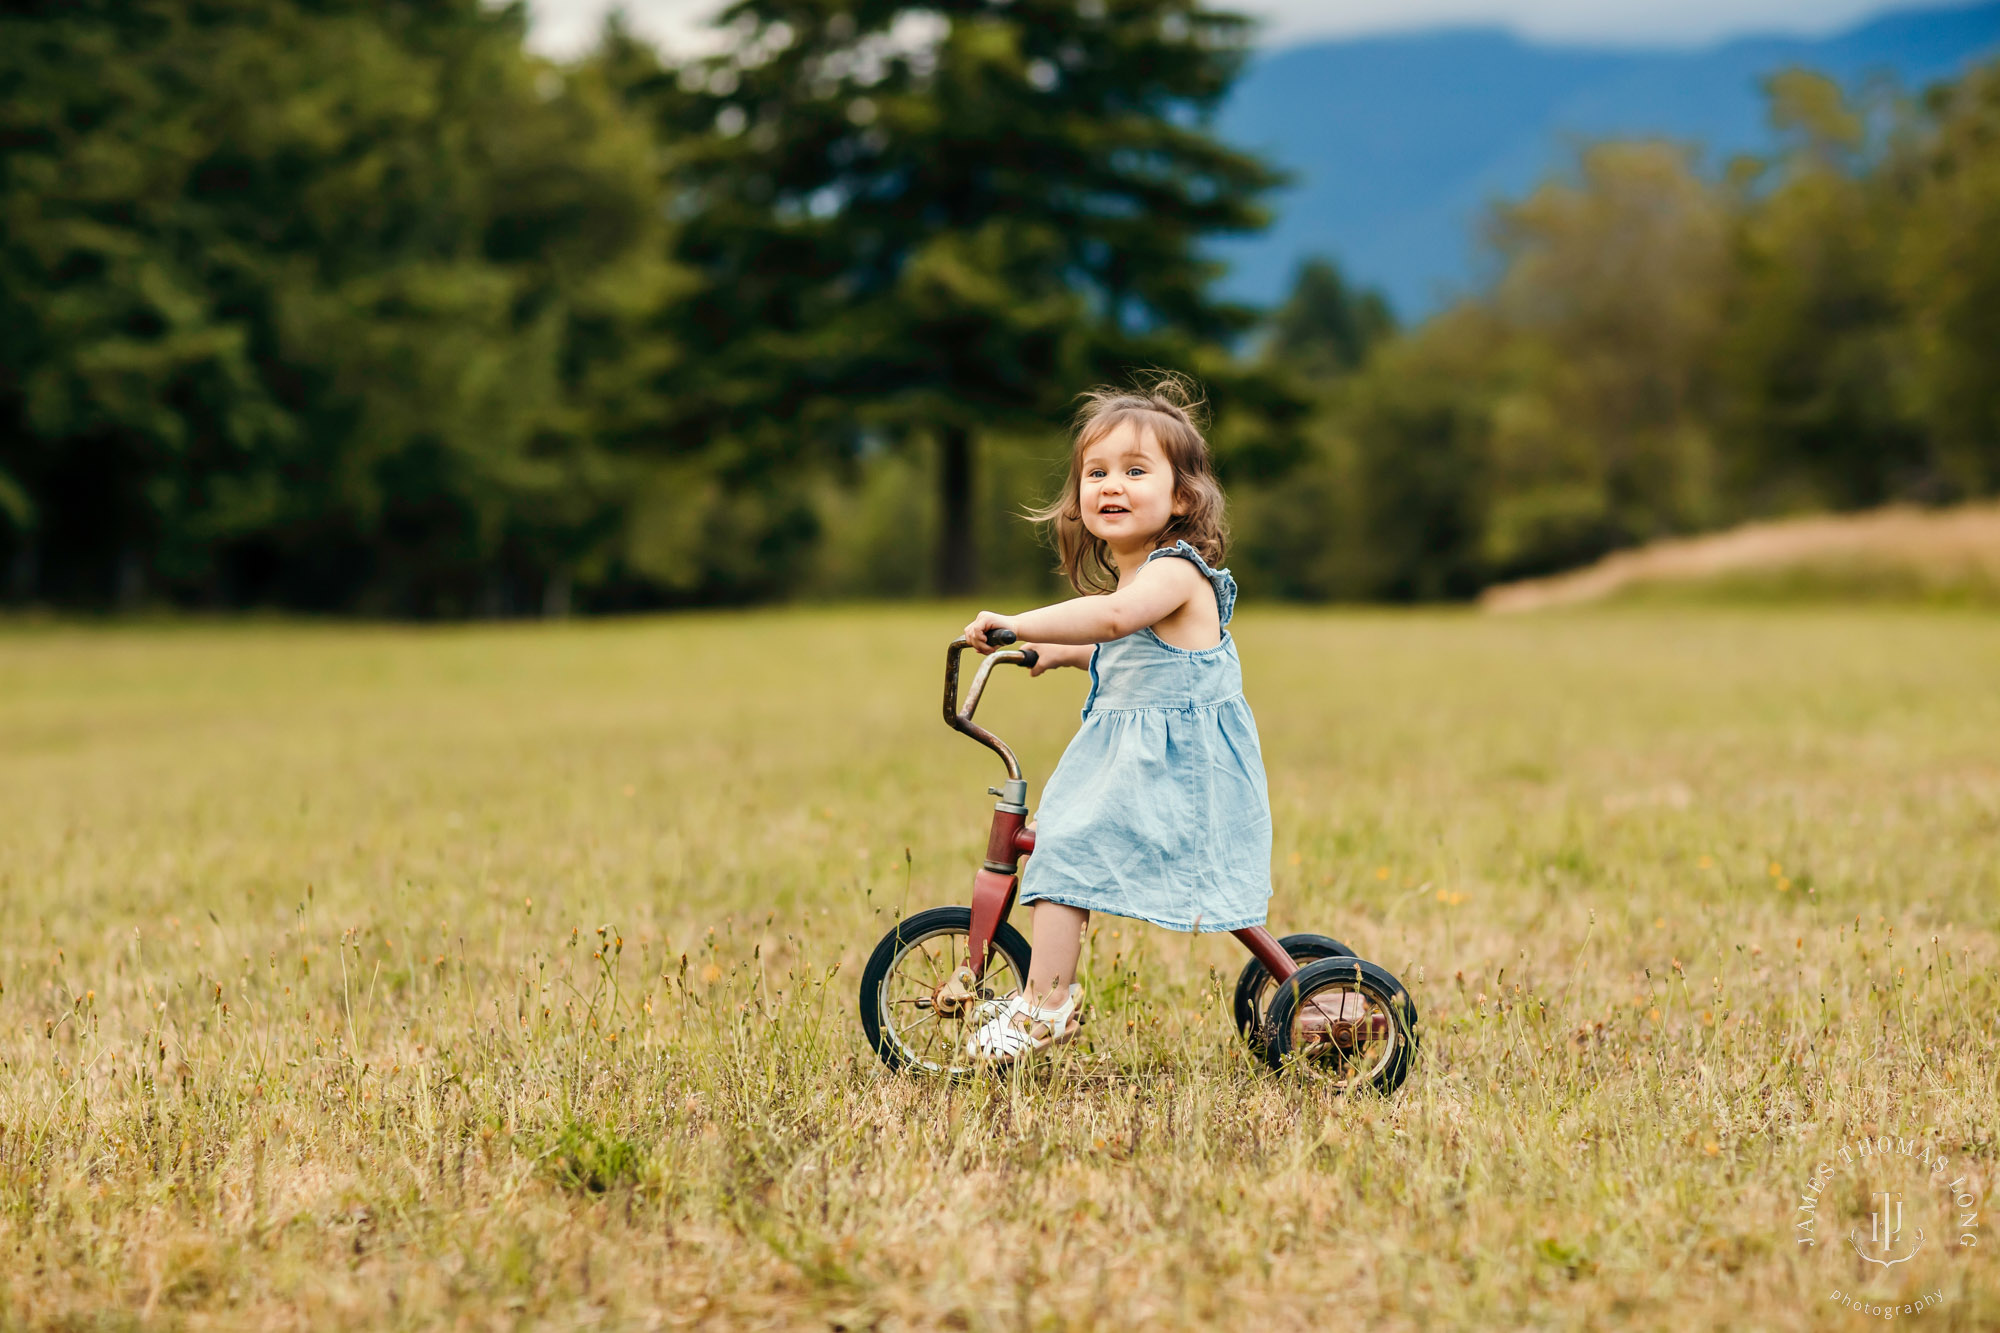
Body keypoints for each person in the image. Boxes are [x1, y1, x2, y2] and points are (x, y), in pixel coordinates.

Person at [958, 374, 1274, 1065]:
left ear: (1181, 496)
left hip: (1180, 771)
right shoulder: (1138, 579)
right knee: (1068, 845)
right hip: (1140, 760)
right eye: (1095, 472)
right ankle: (1041, 996)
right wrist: (1050, 652)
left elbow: (1111, 620)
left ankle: (1045, 1006)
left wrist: (1014, 624)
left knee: (1065, 849)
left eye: (1136, 470)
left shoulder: (1172, 573)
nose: (1111, 485)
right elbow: (1114, 641)